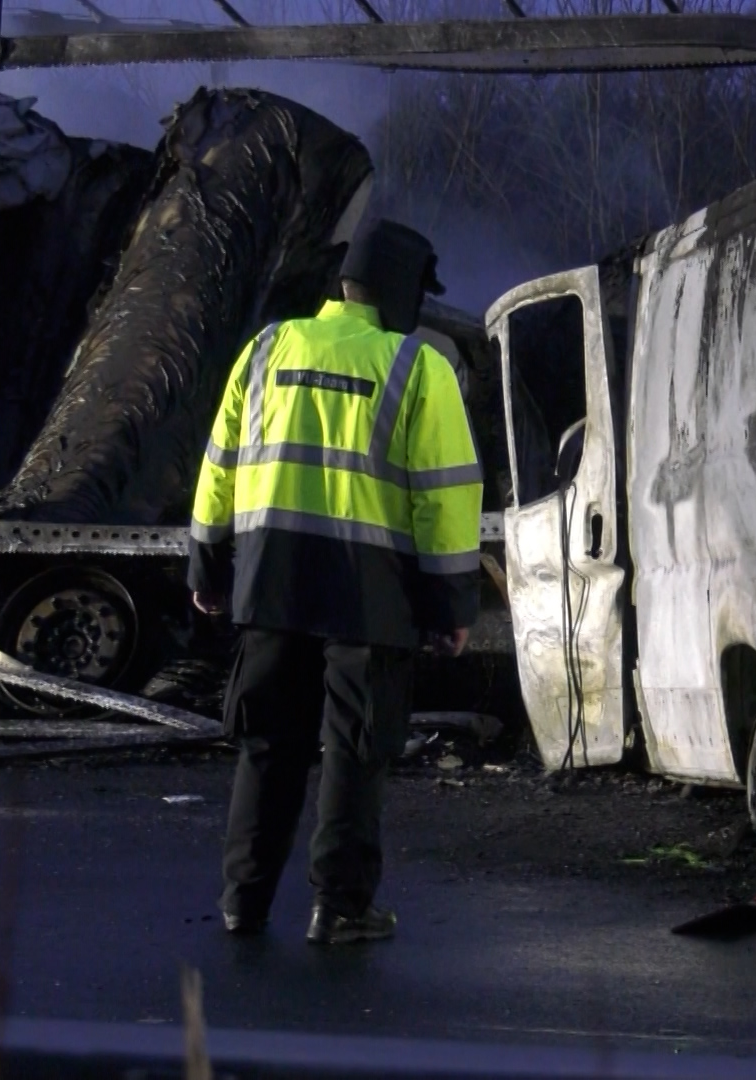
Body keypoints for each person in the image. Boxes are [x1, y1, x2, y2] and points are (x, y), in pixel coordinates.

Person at [188, 220, 482, 945]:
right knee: (355, 747)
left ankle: (242, 902)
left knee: (268, 745)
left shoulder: (266, 350)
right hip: (369, 591)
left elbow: (219, 463)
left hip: (271, 583)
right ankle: (340, 908)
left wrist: (207, 562)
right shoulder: (417, 368)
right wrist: (449, 607)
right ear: (400, 290)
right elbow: (442, 499)